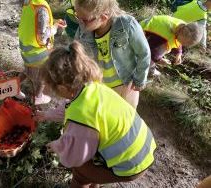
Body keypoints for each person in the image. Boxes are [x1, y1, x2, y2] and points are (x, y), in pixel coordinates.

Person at [35, 41, 157, 188]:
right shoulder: (91, 87)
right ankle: (96, 181)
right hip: (144, 145)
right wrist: (47, 115)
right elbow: (69, 107)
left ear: (62, 88)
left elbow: (76, 156)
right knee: (91, 169)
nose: (51, 90)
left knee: (80, 173)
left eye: (51, 87)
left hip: (131, 163)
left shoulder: (81, 116)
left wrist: (57, 146)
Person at [74, 0, 151, 108]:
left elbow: (143, 53)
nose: (80, 23)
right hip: (100, 85)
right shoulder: (84, 28)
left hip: (125, 84)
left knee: (126, 115)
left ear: (104, 16)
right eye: (77, 17)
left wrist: (139, 80)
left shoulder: (127, 25)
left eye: (85, 20)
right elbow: (78, 53)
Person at [18, 0, 66, 105]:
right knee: (43, 73)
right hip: (37, 50)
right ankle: (38, 97)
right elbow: (43, 36)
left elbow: (35, 22)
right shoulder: (42, 8)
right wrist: (55, 27)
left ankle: (14, 87)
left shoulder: (31, 2)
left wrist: (53, 21)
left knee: (28, 69)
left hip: (26, 46)